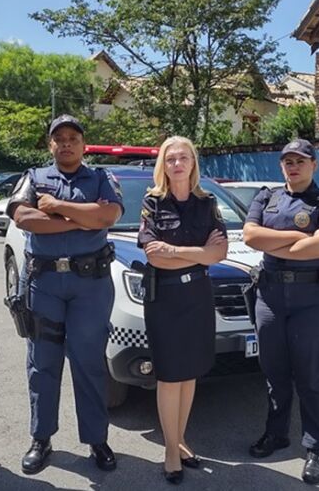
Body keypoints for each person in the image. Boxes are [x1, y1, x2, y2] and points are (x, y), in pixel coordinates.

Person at [6, 114, 124, 474]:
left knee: (89, 363)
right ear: (50, 145)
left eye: (73, 137)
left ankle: (96, 439)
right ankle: (41, 438)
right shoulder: (34, 177)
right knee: (42, 363)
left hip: (90, 285)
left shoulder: (102, 178)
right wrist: (81, 218)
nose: (67, 143)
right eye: (59, 138)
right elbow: (23, 218)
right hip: (44, 285)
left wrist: (57, 208)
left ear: (83, 144)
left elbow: (109, 215)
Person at [242, 138, 319, 485]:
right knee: (274, 373)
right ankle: (277, 433)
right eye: (287, 160)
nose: (293, 165)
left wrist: (277, 239)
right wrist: (297, 238)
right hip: (270, 296)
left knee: (312, 377)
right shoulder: (266, 197)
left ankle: (316, 447)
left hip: (313, 297)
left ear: (314, 165)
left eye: (300, 160)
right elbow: (250, 237)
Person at [136, 136, 228, 485]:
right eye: (171, 158)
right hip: (166, 299)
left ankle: (181, 439)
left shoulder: (208, 203)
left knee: (189, 374)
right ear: (164, 164)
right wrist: (197, 252)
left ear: (193, 163)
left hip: (198, 297)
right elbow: (153, 255)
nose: (178, 163)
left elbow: (218, 254)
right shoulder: (153, 202)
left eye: (184, 157)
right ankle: (170, 452)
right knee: (169, 375)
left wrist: (176, 252)